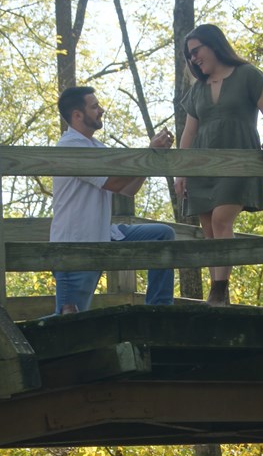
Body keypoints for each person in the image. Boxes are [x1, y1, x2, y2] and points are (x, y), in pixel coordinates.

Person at [174, 23, 263, 305]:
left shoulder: (247, 75)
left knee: (222, 219)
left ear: (214, 45)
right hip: (201, 165)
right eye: (190, 55)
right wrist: (180, 173)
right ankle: (218, 292)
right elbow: (189, 133)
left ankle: (217, 291)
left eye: (197, 51)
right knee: (209, 228)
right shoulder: (197, 90)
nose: (194, 58)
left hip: (238, 161)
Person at [50, 86, 175, 314]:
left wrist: (152, 156)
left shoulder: (98, 147)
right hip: (75, 245)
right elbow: (114, 183)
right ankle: (21, 339)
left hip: (103, 235)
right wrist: (147, 152)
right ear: (77, 115)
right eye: (95, 106)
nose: (101, 110)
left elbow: (128, 189)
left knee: (162, 235)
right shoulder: (70, 146)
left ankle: (159, 314)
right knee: (68, 322)